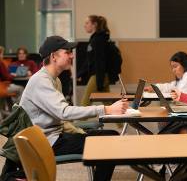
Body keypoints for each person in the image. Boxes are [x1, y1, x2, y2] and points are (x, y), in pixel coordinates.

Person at [19, 36, 129, 180]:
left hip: (55, 136)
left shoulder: (54, 79)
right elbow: (64, 112)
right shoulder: (41, 81)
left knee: (111, 136)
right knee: (108, 141)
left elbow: (60, 118)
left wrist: (80, 132)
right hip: (46, 143)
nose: (72, 55)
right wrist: (106, 109)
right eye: (67, 52)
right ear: (54, 56)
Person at [78, 15, 112, 106]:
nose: (84, 25)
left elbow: (100, 61)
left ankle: (79, 119)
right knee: (108, 102)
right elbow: (89, 60)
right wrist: (80, 73)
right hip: (101, 75)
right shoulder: (95, 39)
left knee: (86, 101)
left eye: (87, 23)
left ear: (94, 24)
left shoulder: (98, 40)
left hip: (98, 76)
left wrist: (99, 81)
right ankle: (120, 119)